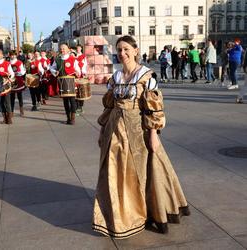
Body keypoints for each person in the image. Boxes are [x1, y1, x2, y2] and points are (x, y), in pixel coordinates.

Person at [92, 36, 190, 238]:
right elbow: (109, 106)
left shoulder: (146, 76)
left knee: (144, 172)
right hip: (114, 131)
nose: (122, 53)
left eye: (126, 49)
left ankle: (146, 210)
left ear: (136, 51)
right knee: (115, 171)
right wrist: (103, 130)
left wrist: (154, 134)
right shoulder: (115, 78)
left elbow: (154, 109)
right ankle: (120, 210)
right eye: (119, 49)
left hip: (138, 132)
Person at [50, 43, 81, 125]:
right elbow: (51, 68)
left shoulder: (73, 59)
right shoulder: (57, 59)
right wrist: (54, 72)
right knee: (65, 101)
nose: (62, 50)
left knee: (72, 100)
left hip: (71, 82)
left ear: (68, 49)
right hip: (62, 82)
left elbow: (77, 69)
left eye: (64, 48)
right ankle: (68, 118)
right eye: (61, 48)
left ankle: (73, 118)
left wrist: (78, 72)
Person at [0, 49, 15, 124]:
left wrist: (8, 79)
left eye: (0, 54)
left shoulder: (7, 63)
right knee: (0, 102)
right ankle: (4, 118)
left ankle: (9, 118)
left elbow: (12, 74)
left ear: (2, 55)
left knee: (7, 102)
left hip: (6, 85)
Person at [9, 50, 26, 116]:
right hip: (11, 81)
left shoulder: (19, 62)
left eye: (14, 55)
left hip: (18, 80)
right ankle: (12, 111)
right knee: (12, 97)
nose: (12, 56)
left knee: (20, 96)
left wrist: (17, 73)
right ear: (10, 55)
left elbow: (23, 71)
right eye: (11, 55)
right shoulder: (8, 62)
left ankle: (21, 110)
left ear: (16, 55)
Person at [75, 44, 88, 115]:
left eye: (79, 48)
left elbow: (85, 65)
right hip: (75, 76)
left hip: (82, 75)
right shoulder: (74, 56)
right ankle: (77, 107)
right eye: (77, 48)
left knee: (82, 91)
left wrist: (84, 73)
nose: (78, 49)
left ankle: (81, 106)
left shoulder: (83, 57)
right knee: (76, 91)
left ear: (81, 49)